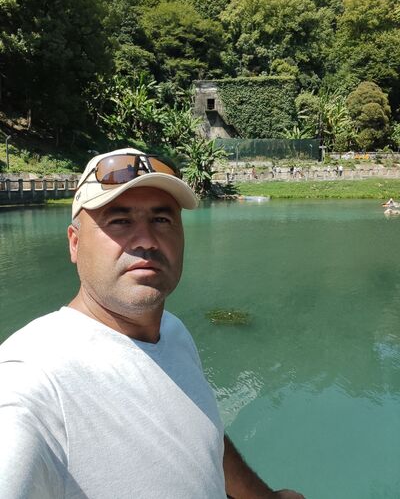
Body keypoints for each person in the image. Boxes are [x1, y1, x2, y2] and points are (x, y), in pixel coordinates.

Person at [0, 147, 305, 499]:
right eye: (120, 221)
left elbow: (202, 437)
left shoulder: (173, 333)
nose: (146, 241)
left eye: (162, 220)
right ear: (75, 243)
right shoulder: (31, 379)